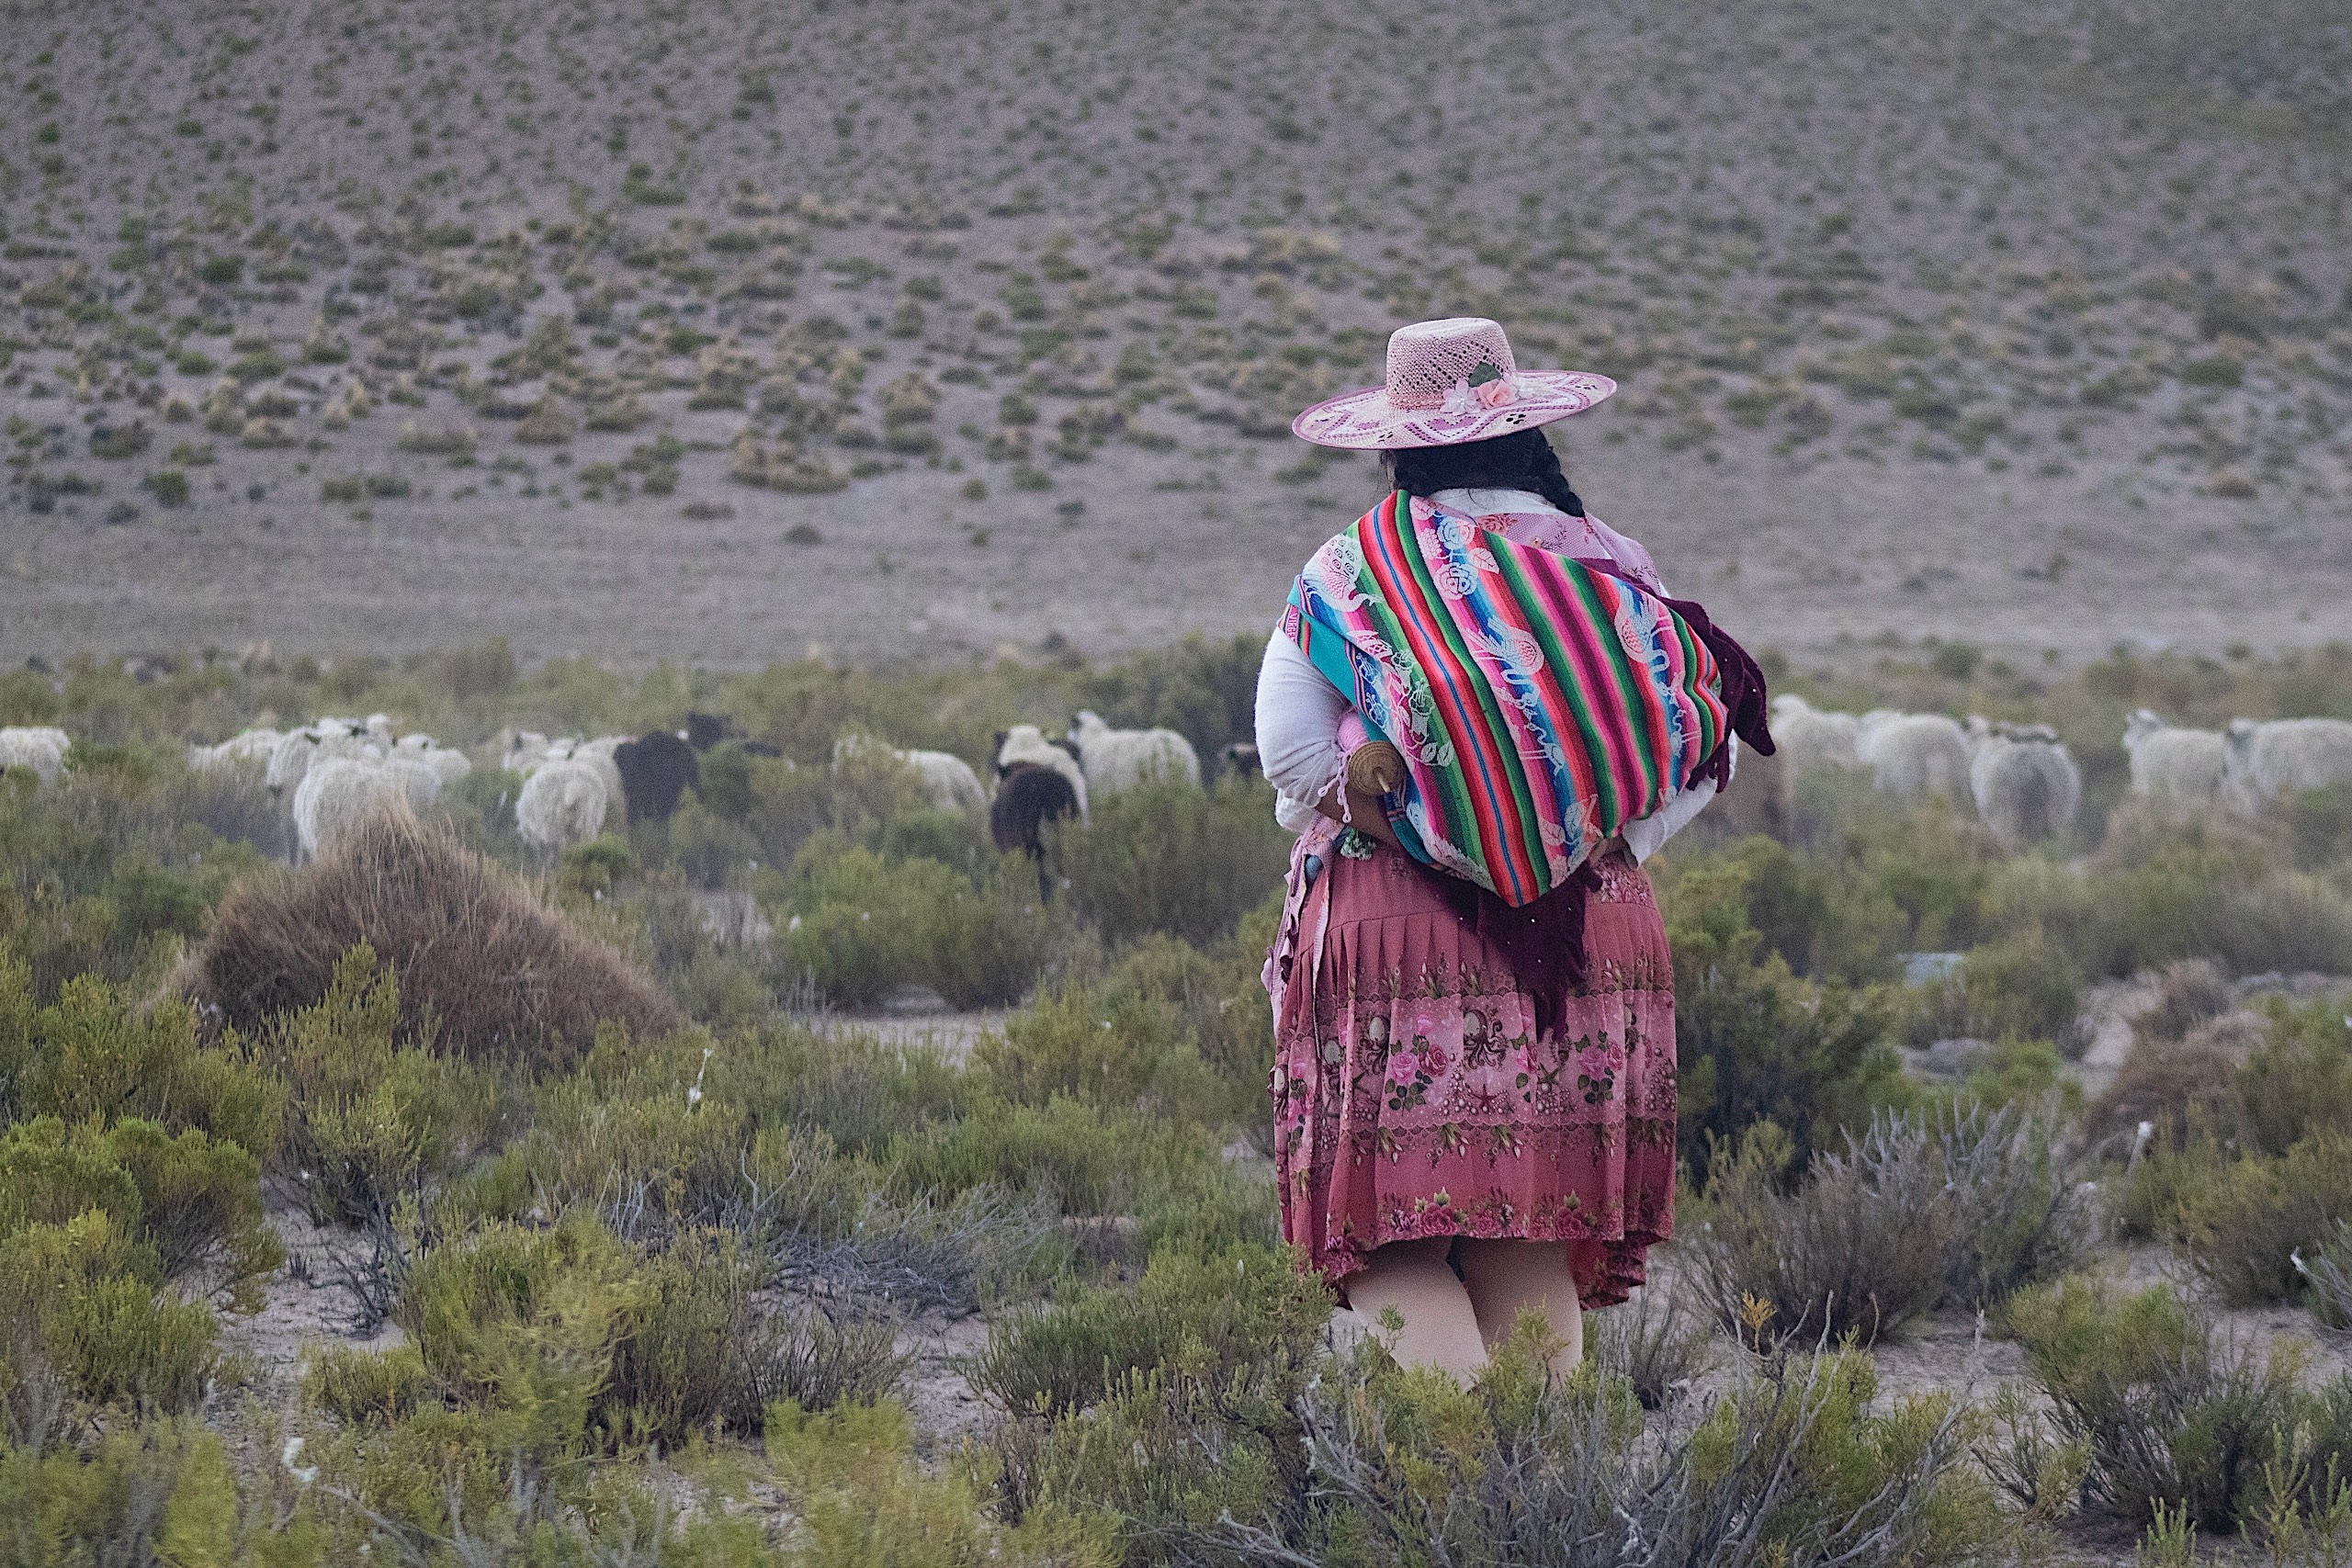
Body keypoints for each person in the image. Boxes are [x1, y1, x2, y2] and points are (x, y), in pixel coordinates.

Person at [1254, 317, 1771, 1382]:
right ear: (1527, 428)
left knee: (1390, 1239)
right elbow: (1697, 743)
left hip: (1398, 934)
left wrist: (1433, 824)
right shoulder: (1611, 569)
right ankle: (1532, 1499)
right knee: (1520, 1233)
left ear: (1398, 446)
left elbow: (1294, 754)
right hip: (1585, 939)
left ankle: (1455, 1493)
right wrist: (1576, 841)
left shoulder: (1359, 570)